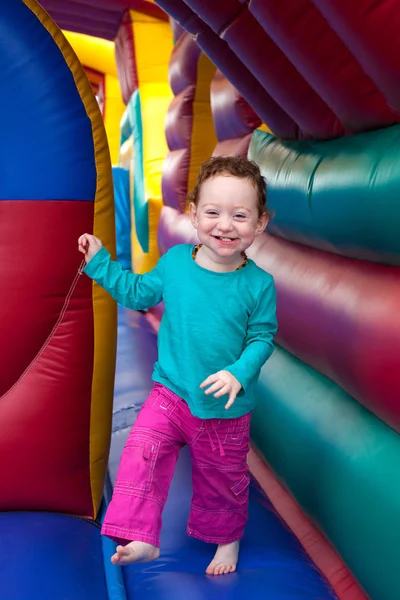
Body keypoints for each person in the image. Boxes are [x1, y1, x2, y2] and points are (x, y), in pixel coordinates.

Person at [78, 155, 277, 576]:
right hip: (170, 391)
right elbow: (137, 294)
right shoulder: (174, 264)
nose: (225, 225)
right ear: (193, 214)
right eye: (213, 212)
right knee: (141, 452)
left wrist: (237, 373)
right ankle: (141, 536)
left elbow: (262, 338)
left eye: (240, 216)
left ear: (260, 223)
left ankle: (227, 541)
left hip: (223, 408)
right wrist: (100, 264)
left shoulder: (258, 284)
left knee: (221, 480)